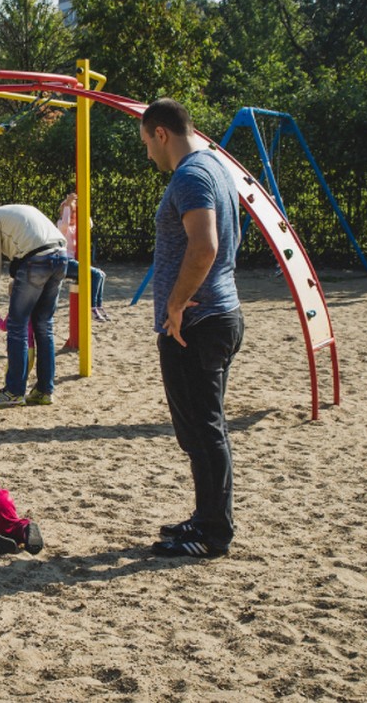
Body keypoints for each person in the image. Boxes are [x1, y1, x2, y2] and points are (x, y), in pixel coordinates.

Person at [140, 98, 244, 559]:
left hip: (198, 321)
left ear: (161, 133)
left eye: (147, 143)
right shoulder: (216, 165)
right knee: (200, 431)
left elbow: (205, 245)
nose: (148, 155)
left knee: (204, 430)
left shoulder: (192, 175)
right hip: (213, 316)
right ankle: (205, 518)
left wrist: (177, 305)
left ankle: (213, 533)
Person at [0, 199, 68, 407]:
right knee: (43, 325)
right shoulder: (21, 211)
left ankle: (14, 391)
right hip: (61, 257)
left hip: (36, 260)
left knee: (17, 325)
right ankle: (44, 390)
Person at [56, 193, 109, 321]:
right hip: (65, 262)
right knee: (95, 275)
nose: (73, 214)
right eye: (70, 211)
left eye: (75, 211)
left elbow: (89, 224)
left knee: (101, 274)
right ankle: (92, 307)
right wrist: (68, 205)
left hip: (73, 262)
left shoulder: (76, 227)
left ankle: (98, 305)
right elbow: (65, 222)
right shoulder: (61, 225)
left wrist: (83, 207)